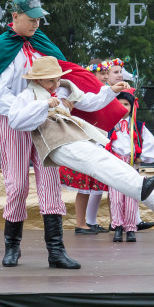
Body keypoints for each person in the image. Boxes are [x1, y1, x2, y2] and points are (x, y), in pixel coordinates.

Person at [0, 0, 129, 270]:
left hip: (47, 122)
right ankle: (12, 247)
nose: (36, 23)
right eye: (31, 18)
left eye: (39, 18)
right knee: (16, 186)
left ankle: (56, 251)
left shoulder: (42, 42)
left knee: (50, 183)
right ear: (15, 16)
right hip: (14, 122)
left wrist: (96, 94)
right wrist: (23, 109)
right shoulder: (4, 46)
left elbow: (65, 80)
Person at [6, 56, 154, 263]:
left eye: (57, 79)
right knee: (100, 165)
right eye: (51, 81)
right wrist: (43, 106)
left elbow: (89, 102)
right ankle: (27, 249)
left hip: (72, 136)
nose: (56, 84)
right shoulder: (28, 95)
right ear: (38, 80)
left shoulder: (63, 89)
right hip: (55, 144)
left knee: (113, 165)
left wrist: (109, 92)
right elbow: (16, 121)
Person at [61, 58, 109, 235]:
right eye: (101, 73)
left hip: (96, 140)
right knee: (83, 184)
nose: (104, 76)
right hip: (82, 139)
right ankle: (81, 223)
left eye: (106, 73)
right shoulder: (82, 92)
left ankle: (89, 221)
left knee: (92, 185)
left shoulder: (102, 92)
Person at [105, 88, 154, 243]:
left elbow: (151, 143)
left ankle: (130, 228)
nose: (123, 107)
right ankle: (118, 227)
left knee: (131, 197)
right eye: (119, 104)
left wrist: (141, 158)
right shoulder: (108, 125)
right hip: (114, 165)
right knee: (115, 198)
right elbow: (99, 141)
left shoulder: (138, 126)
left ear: (132, 107)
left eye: (126, 104)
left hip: (131, 164)